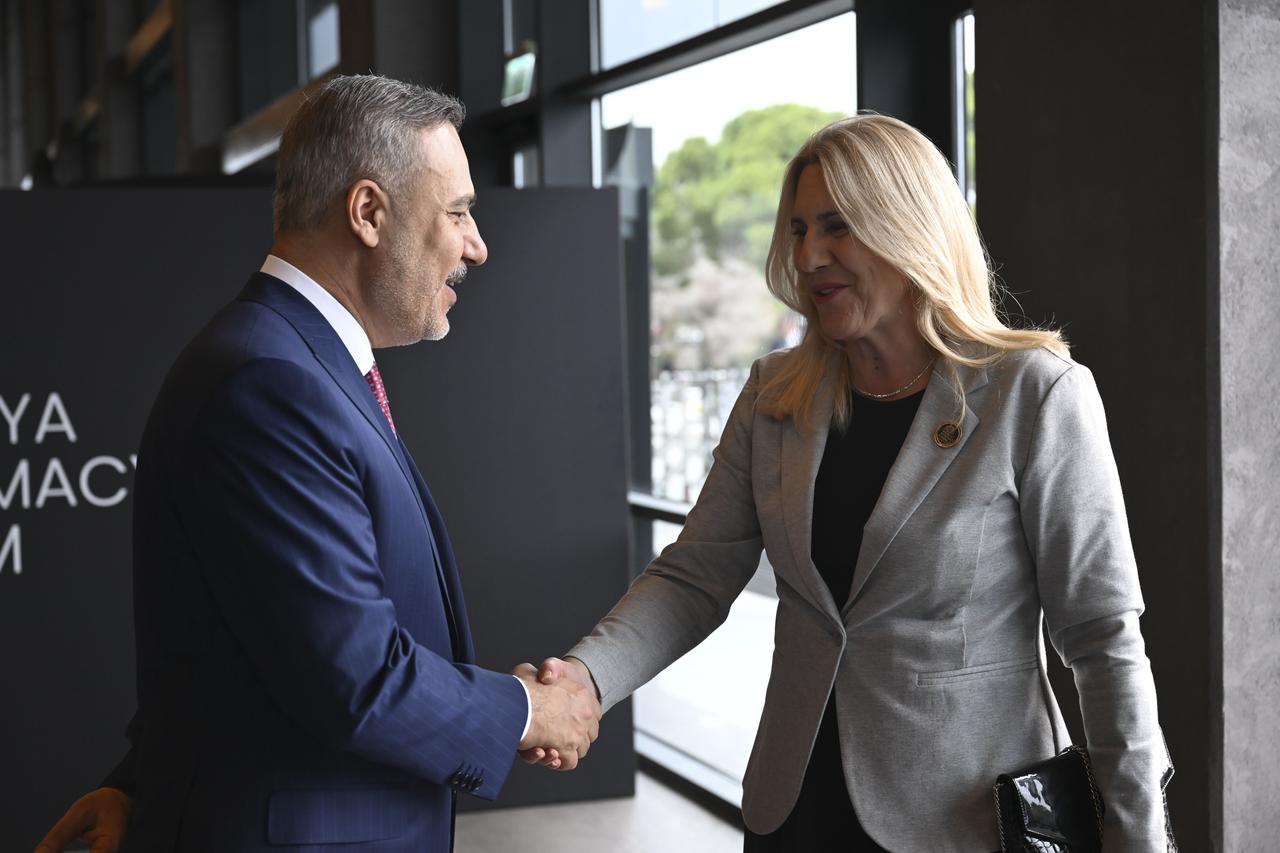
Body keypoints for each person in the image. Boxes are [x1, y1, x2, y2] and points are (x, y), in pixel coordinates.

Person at [529, 114, 1172, 852]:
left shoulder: (1034, 393)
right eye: (799, 230)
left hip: (965, 825)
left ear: (909, 227)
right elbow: (694, 576)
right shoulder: (775, 395)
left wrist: (1139, 838)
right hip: (794, 810)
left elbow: (1102, 638)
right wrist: (585, 678)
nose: (809, 255)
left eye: (838, 226)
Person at [36, 74, 599, 853]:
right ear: (367, 212)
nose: (476, 245)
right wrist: (529, 711)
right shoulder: (270, 381)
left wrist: (142, 782)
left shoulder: (293, 362)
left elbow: (241, 640)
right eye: (458, 212)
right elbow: (353, 673)